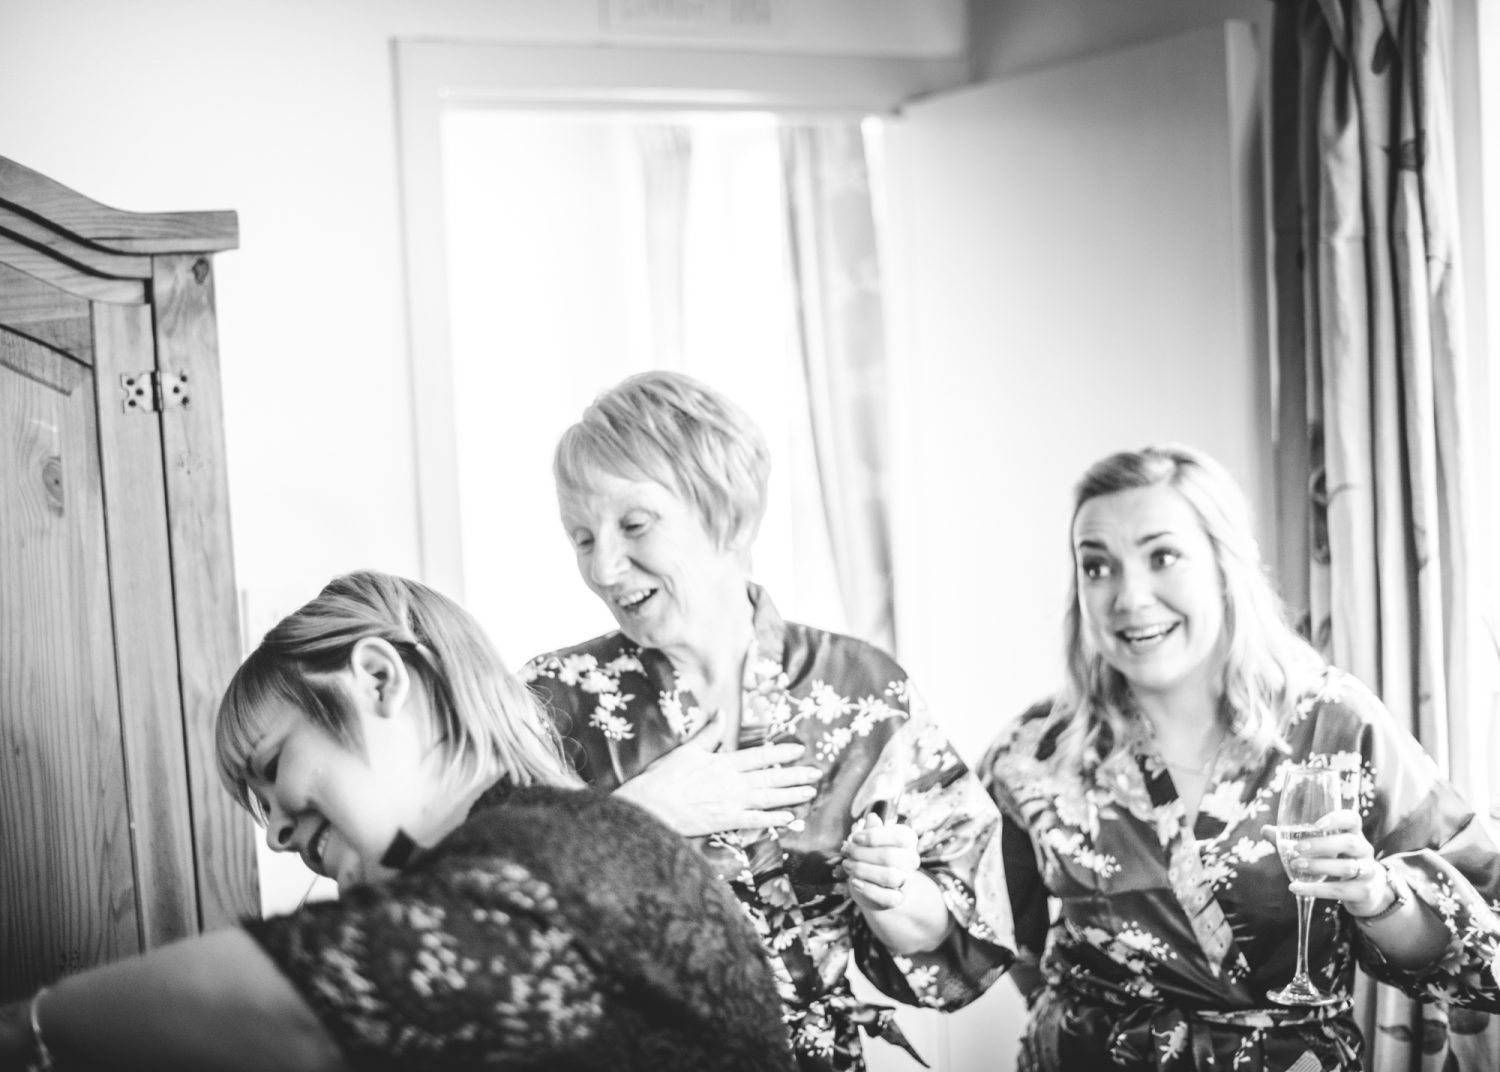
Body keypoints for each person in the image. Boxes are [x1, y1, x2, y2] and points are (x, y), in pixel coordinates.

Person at [0, 570, 795, 1072]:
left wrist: (33, 1031)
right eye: (259, 806)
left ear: (379, 679)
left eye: (275, 767)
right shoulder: (524, 846)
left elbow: (298, 1005)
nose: (275, 831)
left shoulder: (551, 857)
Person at [523, 371, 1014, 1072]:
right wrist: (635, 817)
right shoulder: (550, 703)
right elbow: (481, 907)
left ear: (728, 514)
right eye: (580, 538)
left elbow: (968, 932)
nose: (604, 568)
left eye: (633, 525)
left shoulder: (860, 691)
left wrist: (897, 896)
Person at [978, 444, 1500, 1071]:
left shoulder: (1334, 723)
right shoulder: (1035, 751)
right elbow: (994, 931)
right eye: (1097, 567)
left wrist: (1377, 896)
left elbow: (1484, 936)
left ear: (1226, 566)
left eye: (1162, 556)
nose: (1129, 597)